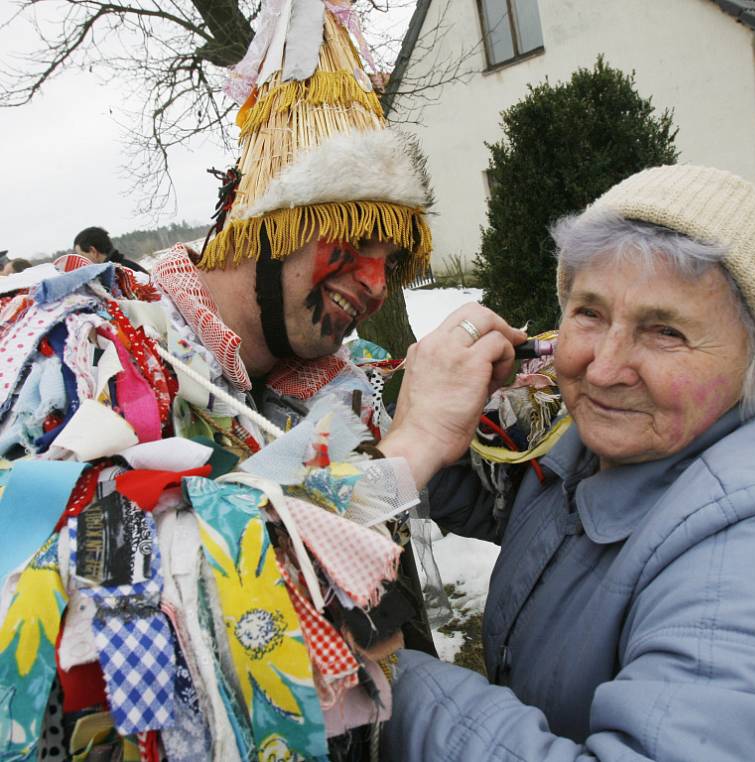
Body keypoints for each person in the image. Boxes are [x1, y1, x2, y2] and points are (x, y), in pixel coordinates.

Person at [0, 4, 433, 761]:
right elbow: (92, 632)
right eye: (354, 239)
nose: (372, 282)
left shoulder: (343, 401)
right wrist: (412, 458)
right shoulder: (88, 360)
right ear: (269, 221)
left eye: (392, 263)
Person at [378, 164, 755, 760]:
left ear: (753, 365)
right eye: (590, 314)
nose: (602, 369)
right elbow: (529, 516)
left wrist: (390, 683)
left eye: (666, 332)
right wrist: (431, 433)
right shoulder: (592, 450)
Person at [73, 226, 148, 273]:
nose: (80, 261)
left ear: (93, 251)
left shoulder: (118, 274)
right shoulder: (128, 266)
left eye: (81, 255)